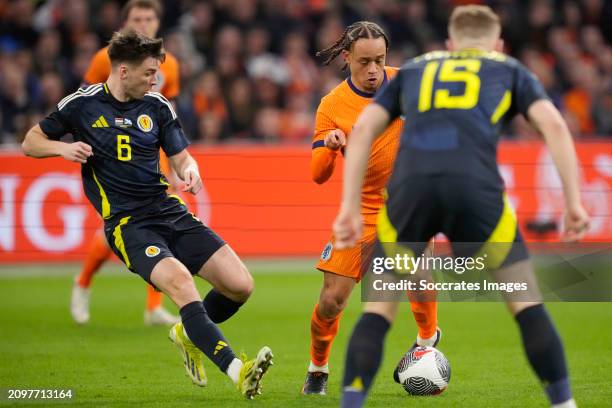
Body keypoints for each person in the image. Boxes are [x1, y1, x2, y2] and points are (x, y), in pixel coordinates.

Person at [333, 5, 590, 408]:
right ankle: (564, 403)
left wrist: (349, 205)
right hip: (476, 188)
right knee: (527, 305)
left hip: (410, 192)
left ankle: (351, 403)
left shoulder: (417, 68)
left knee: (378, 312)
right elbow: (554, 125)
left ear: (451, 45)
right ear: (498, 44)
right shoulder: (507, 68)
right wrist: (573, 202)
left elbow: (365, 128)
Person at [22, 29, 273, 399]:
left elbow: (180, 156)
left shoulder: (157, 106)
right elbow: (30, 142)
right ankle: (238, 370)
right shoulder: (82, 104)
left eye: (157, 72)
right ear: (123, 71)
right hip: (128, 224)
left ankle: (188, 334)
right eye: (149, 73)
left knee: (240, 286)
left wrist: (191, 170)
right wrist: (62, 149)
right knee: (182, 284)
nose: (156, 80)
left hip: (168, 209)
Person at [302, 21, 439, 396]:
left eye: (379, 60)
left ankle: (427, 343)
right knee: (331, 301)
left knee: (421, 280)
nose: (373, 70)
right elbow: (317, 175)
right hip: (360, 213)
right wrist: (330, 147)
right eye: (364, 62)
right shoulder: (332, 105)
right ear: (347, 58)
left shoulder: (408, 85)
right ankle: (318, 367)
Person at [72, 0, 181, 326]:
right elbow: (82, 104)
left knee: (163, 225)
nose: (145, 23)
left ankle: (153, 306)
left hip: (151, 157)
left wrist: (174, 165)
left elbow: (168, 117)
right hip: (113, 157)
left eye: (150, 18)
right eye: (138, 18)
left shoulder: (170, 65)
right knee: (115, 230)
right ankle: (83, 283)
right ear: (125, 24)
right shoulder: (102, 60)